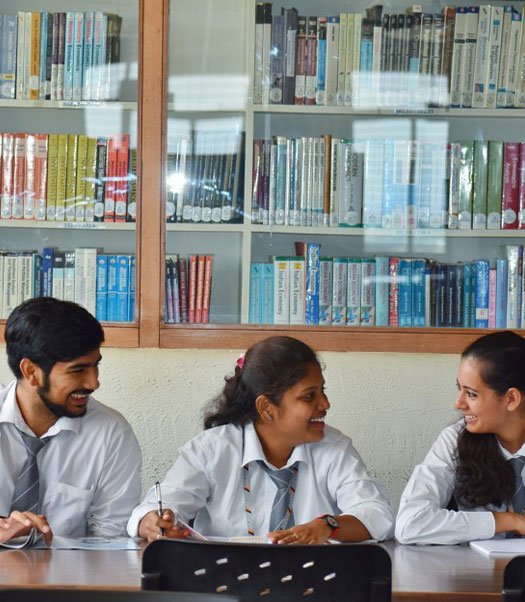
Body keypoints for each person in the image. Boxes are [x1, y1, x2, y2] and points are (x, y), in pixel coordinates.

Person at [128, 335, 394, 543]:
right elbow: (153, 509)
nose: (325, 404)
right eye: (309, 396)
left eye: (322, 391)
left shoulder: (334, 448)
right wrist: (153, 522)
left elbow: (377, 514)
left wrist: (328, 525)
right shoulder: (211, 450)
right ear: (267, 407)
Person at [0, 297, 142, 546]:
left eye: (95, 366)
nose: (93, 383)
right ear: (31, 372)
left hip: (69, 580)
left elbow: (110, 543)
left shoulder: (111, 433)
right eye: (78, 370)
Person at [396, 330, 525, 545]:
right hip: (476, 576)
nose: (459, 403)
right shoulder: (455, 440)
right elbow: (409, 524)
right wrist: (508, 520)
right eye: (460, 389)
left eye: (472, 394)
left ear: (511, 399)